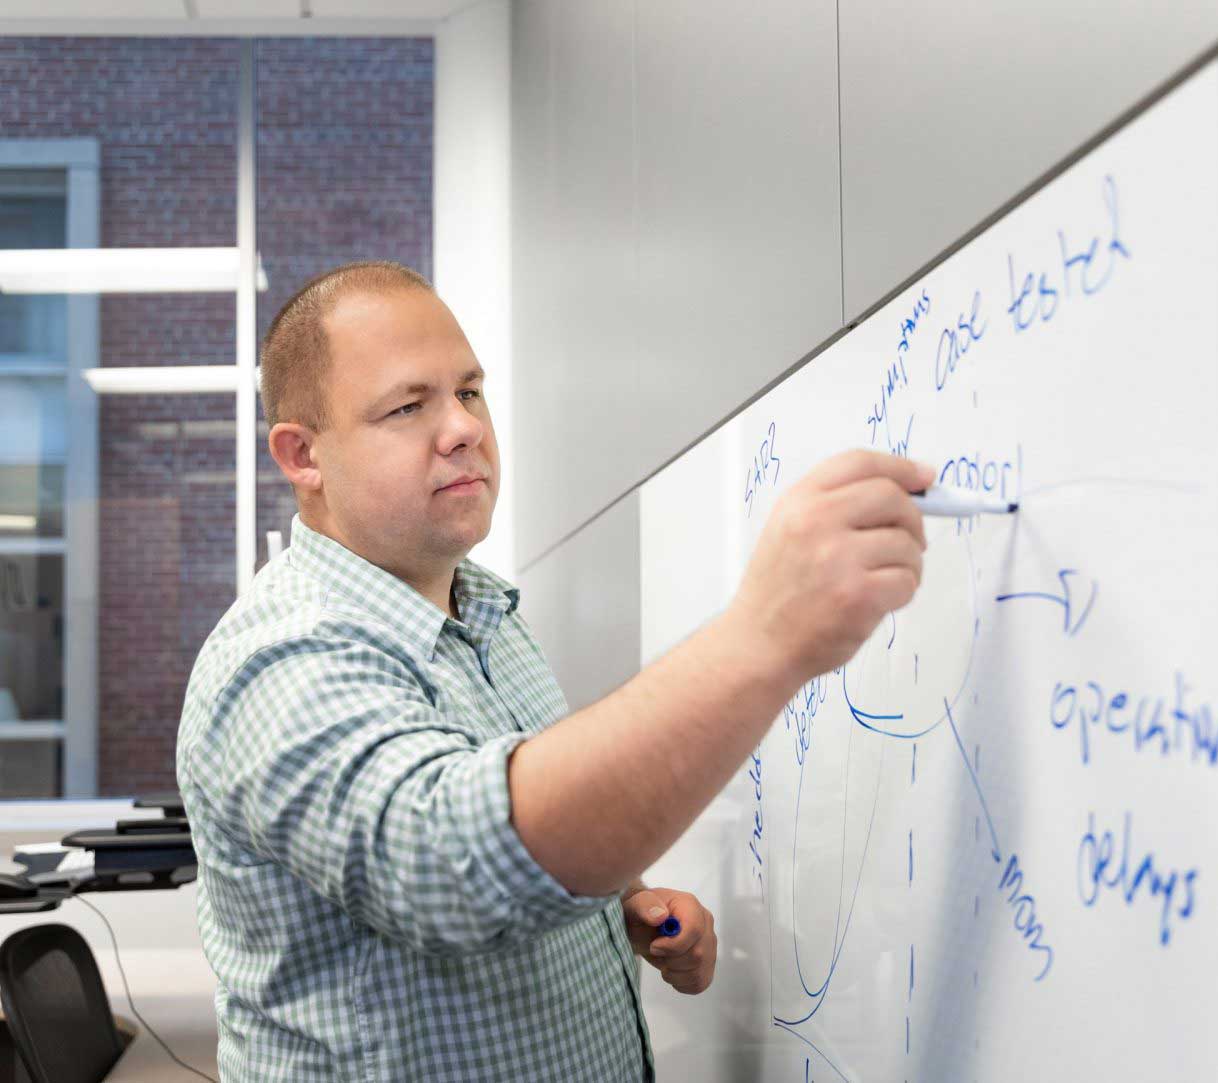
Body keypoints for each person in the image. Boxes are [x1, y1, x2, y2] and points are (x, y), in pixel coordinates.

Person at [176, 260, 932, 1081]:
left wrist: (622, 896)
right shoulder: (278, 658)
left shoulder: (487, 611)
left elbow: (524, 814)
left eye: (469, 391)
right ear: (303, 455)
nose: (463, 427)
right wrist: (762, 637)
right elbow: (454, 861)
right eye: (407, 405)